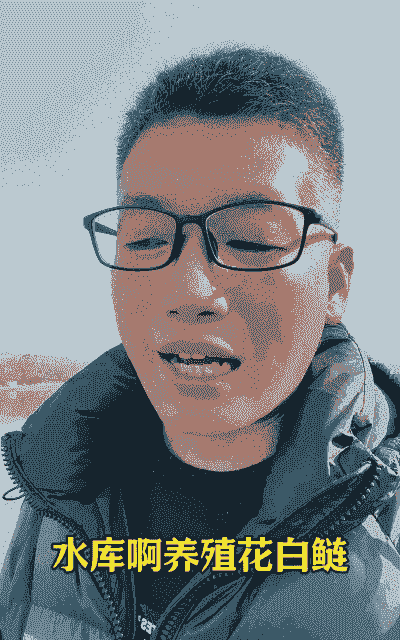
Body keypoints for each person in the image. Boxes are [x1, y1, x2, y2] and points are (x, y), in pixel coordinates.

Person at [1, 47, 400, 640]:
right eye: (145, 240)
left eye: (252, 242)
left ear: (335, 283)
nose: (188, 290)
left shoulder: (383, 540)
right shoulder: (61, 489)